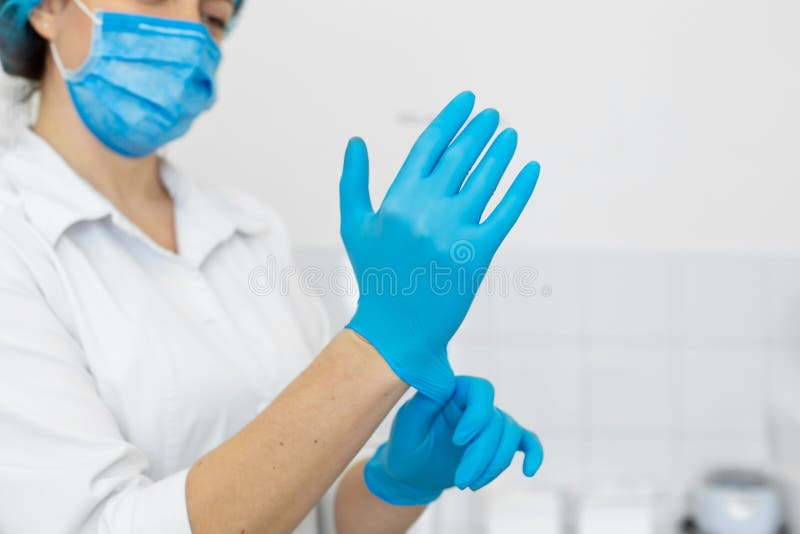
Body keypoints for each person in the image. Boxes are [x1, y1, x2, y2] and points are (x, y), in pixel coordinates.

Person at [0, 0, 544, 532]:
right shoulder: (16, 238)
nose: (191, 32)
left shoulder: (250, 232)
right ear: (46, 9)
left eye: (213, 18)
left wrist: (395, 483)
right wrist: (377, 349)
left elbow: (314, 513)